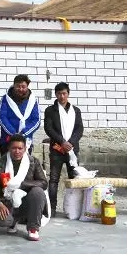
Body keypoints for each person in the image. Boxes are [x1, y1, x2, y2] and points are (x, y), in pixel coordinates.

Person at [0, 134, 50, 241]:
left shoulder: (33, 162)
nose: (17, 151)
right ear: (8, 148)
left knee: (38, 191)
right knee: (3, 221)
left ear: (25, 148)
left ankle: (33, 228)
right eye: (14, 148)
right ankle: (12, 222)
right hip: (7, 201)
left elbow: (43, 183)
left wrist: (21, 185)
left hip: (27, 199)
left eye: (20, 148)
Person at [43, 82, 84, 214]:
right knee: (54, 179)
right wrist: (62, 141)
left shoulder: (76, 110)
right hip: (57, 149)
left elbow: (79, 128)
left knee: (75, 179)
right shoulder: (50, 110)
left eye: (64, 93)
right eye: (59, 94)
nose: (62, 96)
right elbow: (49, 128)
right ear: (55, 94)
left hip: (72, 149)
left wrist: (71, 142)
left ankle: (74, 207)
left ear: (68, 94)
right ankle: (52, 208)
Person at [0, 74, 40, 155]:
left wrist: (23, 133)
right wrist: (14, 134)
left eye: (23, 86)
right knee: (5, 166)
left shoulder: (33, 100)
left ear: (27, 86)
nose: (20, 89)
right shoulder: (5, 99)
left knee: (25, 166)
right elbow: (2, 117)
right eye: (18, 86)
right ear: (14, 85)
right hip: (7, 139)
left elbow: (36, 120)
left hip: (26, 140)